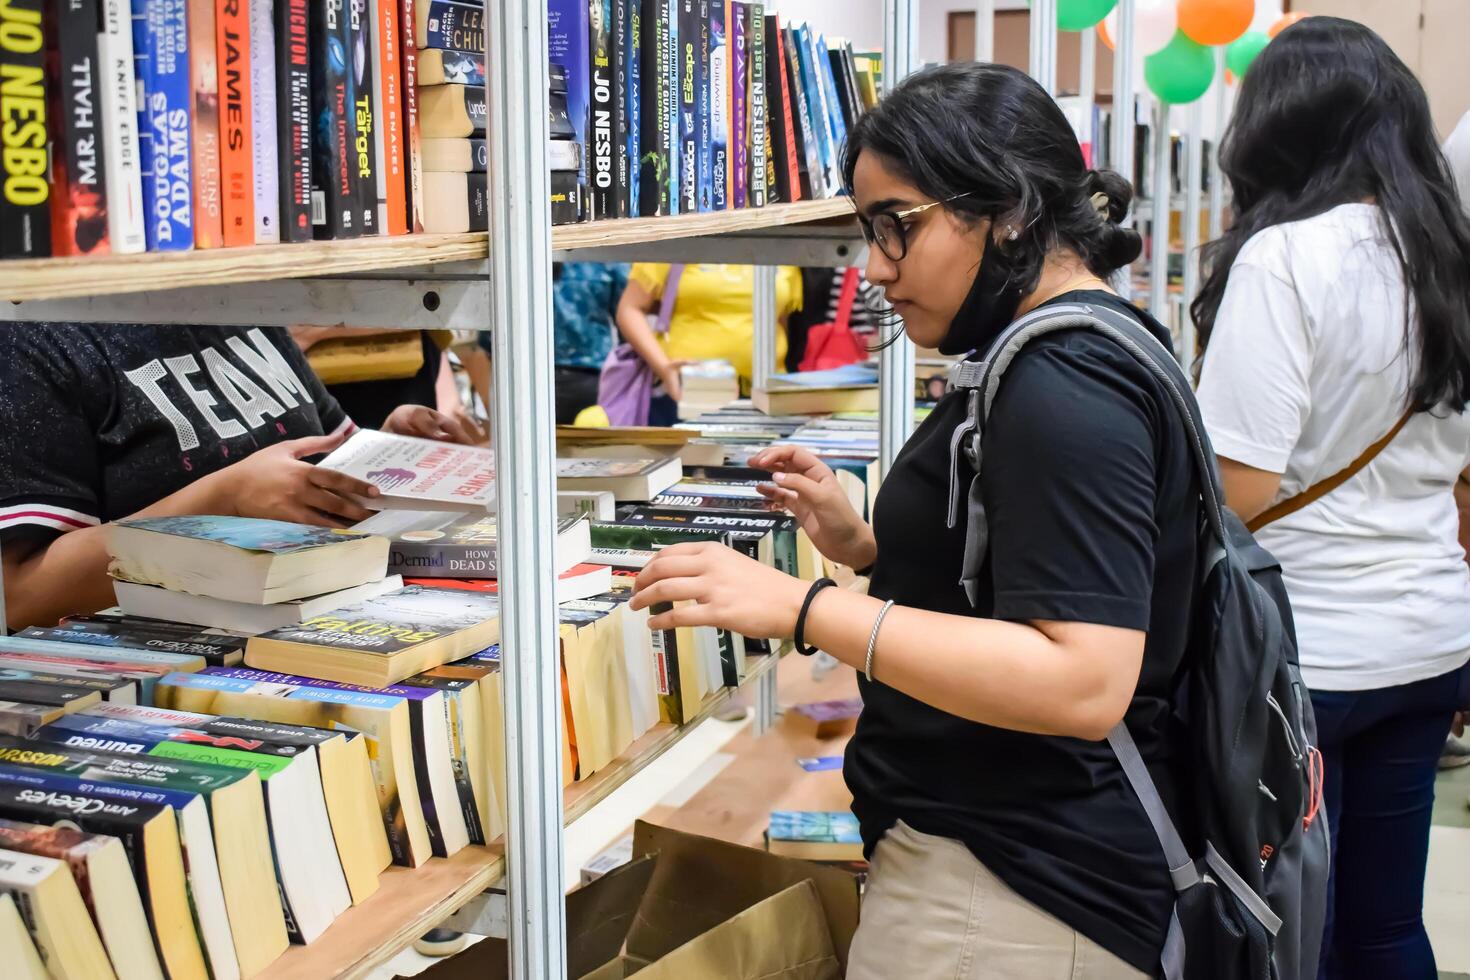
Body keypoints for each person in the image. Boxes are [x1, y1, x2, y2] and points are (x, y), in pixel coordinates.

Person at [632, 62, 1198, 978]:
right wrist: (866, 546)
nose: (878, 268)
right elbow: (1028, 572)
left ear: (1008, 208)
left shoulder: (1062, 383)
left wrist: (806, 608)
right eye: (868, 232)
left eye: (900, 226)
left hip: (1013, 890)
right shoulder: (1066, 344)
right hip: (1008, 865)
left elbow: (1083, 681)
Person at [1192, 19, 1470, 979]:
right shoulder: (1448, 258)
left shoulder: (1286, 259)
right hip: (1432, 636)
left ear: (1273, 130)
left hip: (1307, 655)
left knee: (1289, 922)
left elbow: (1239, 491)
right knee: (1387, 921)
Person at [0, 321, 478, 631]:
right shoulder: (31, 343)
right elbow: (20, 599)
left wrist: (394, 454)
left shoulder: (232, 301)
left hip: (322, 617)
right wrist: (225, 501)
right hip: (181, 666)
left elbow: (321, 462)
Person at [614, 263, 801, 421]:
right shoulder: (677, 239)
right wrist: (663, 367)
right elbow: (629, 308)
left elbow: (780, 319)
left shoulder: (777, 245)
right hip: (690, 389)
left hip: (766, 391)